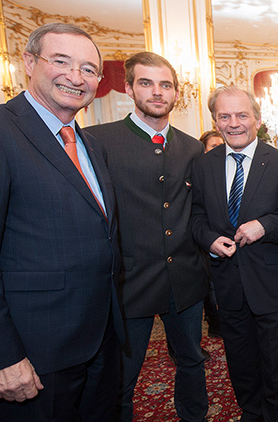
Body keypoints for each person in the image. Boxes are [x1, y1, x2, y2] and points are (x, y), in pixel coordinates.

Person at [0, 22, 122, 421]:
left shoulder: (89, 143)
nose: (76, 76)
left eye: (89, 69)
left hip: (100, 340)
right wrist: (0, 356)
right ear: (29, 63)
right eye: (62, 61)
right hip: (35, 352)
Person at [84, 51, 208, 422]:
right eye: (146, 83)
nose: (157, 92)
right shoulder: (97, 140)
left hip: (184, 279)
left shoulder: (191, 146)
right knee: (121, 376)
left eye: (165, 85)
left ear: (176, 92)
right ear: (128, 87)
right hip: (128, 282)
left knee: (191, 362)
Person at [191, 85, 278, 421]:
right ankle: (252, 413)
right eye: (225, 116)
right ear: (215, 121)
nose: (234, 123)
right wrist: (209, 239)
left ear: (258, 119)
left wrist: (265, 226)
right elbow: (195, 217)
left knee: (277, 362)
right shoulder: (203, 165)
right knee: (240, 360)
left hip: (272, 283)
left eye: (241, 115)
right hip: (227, 284)